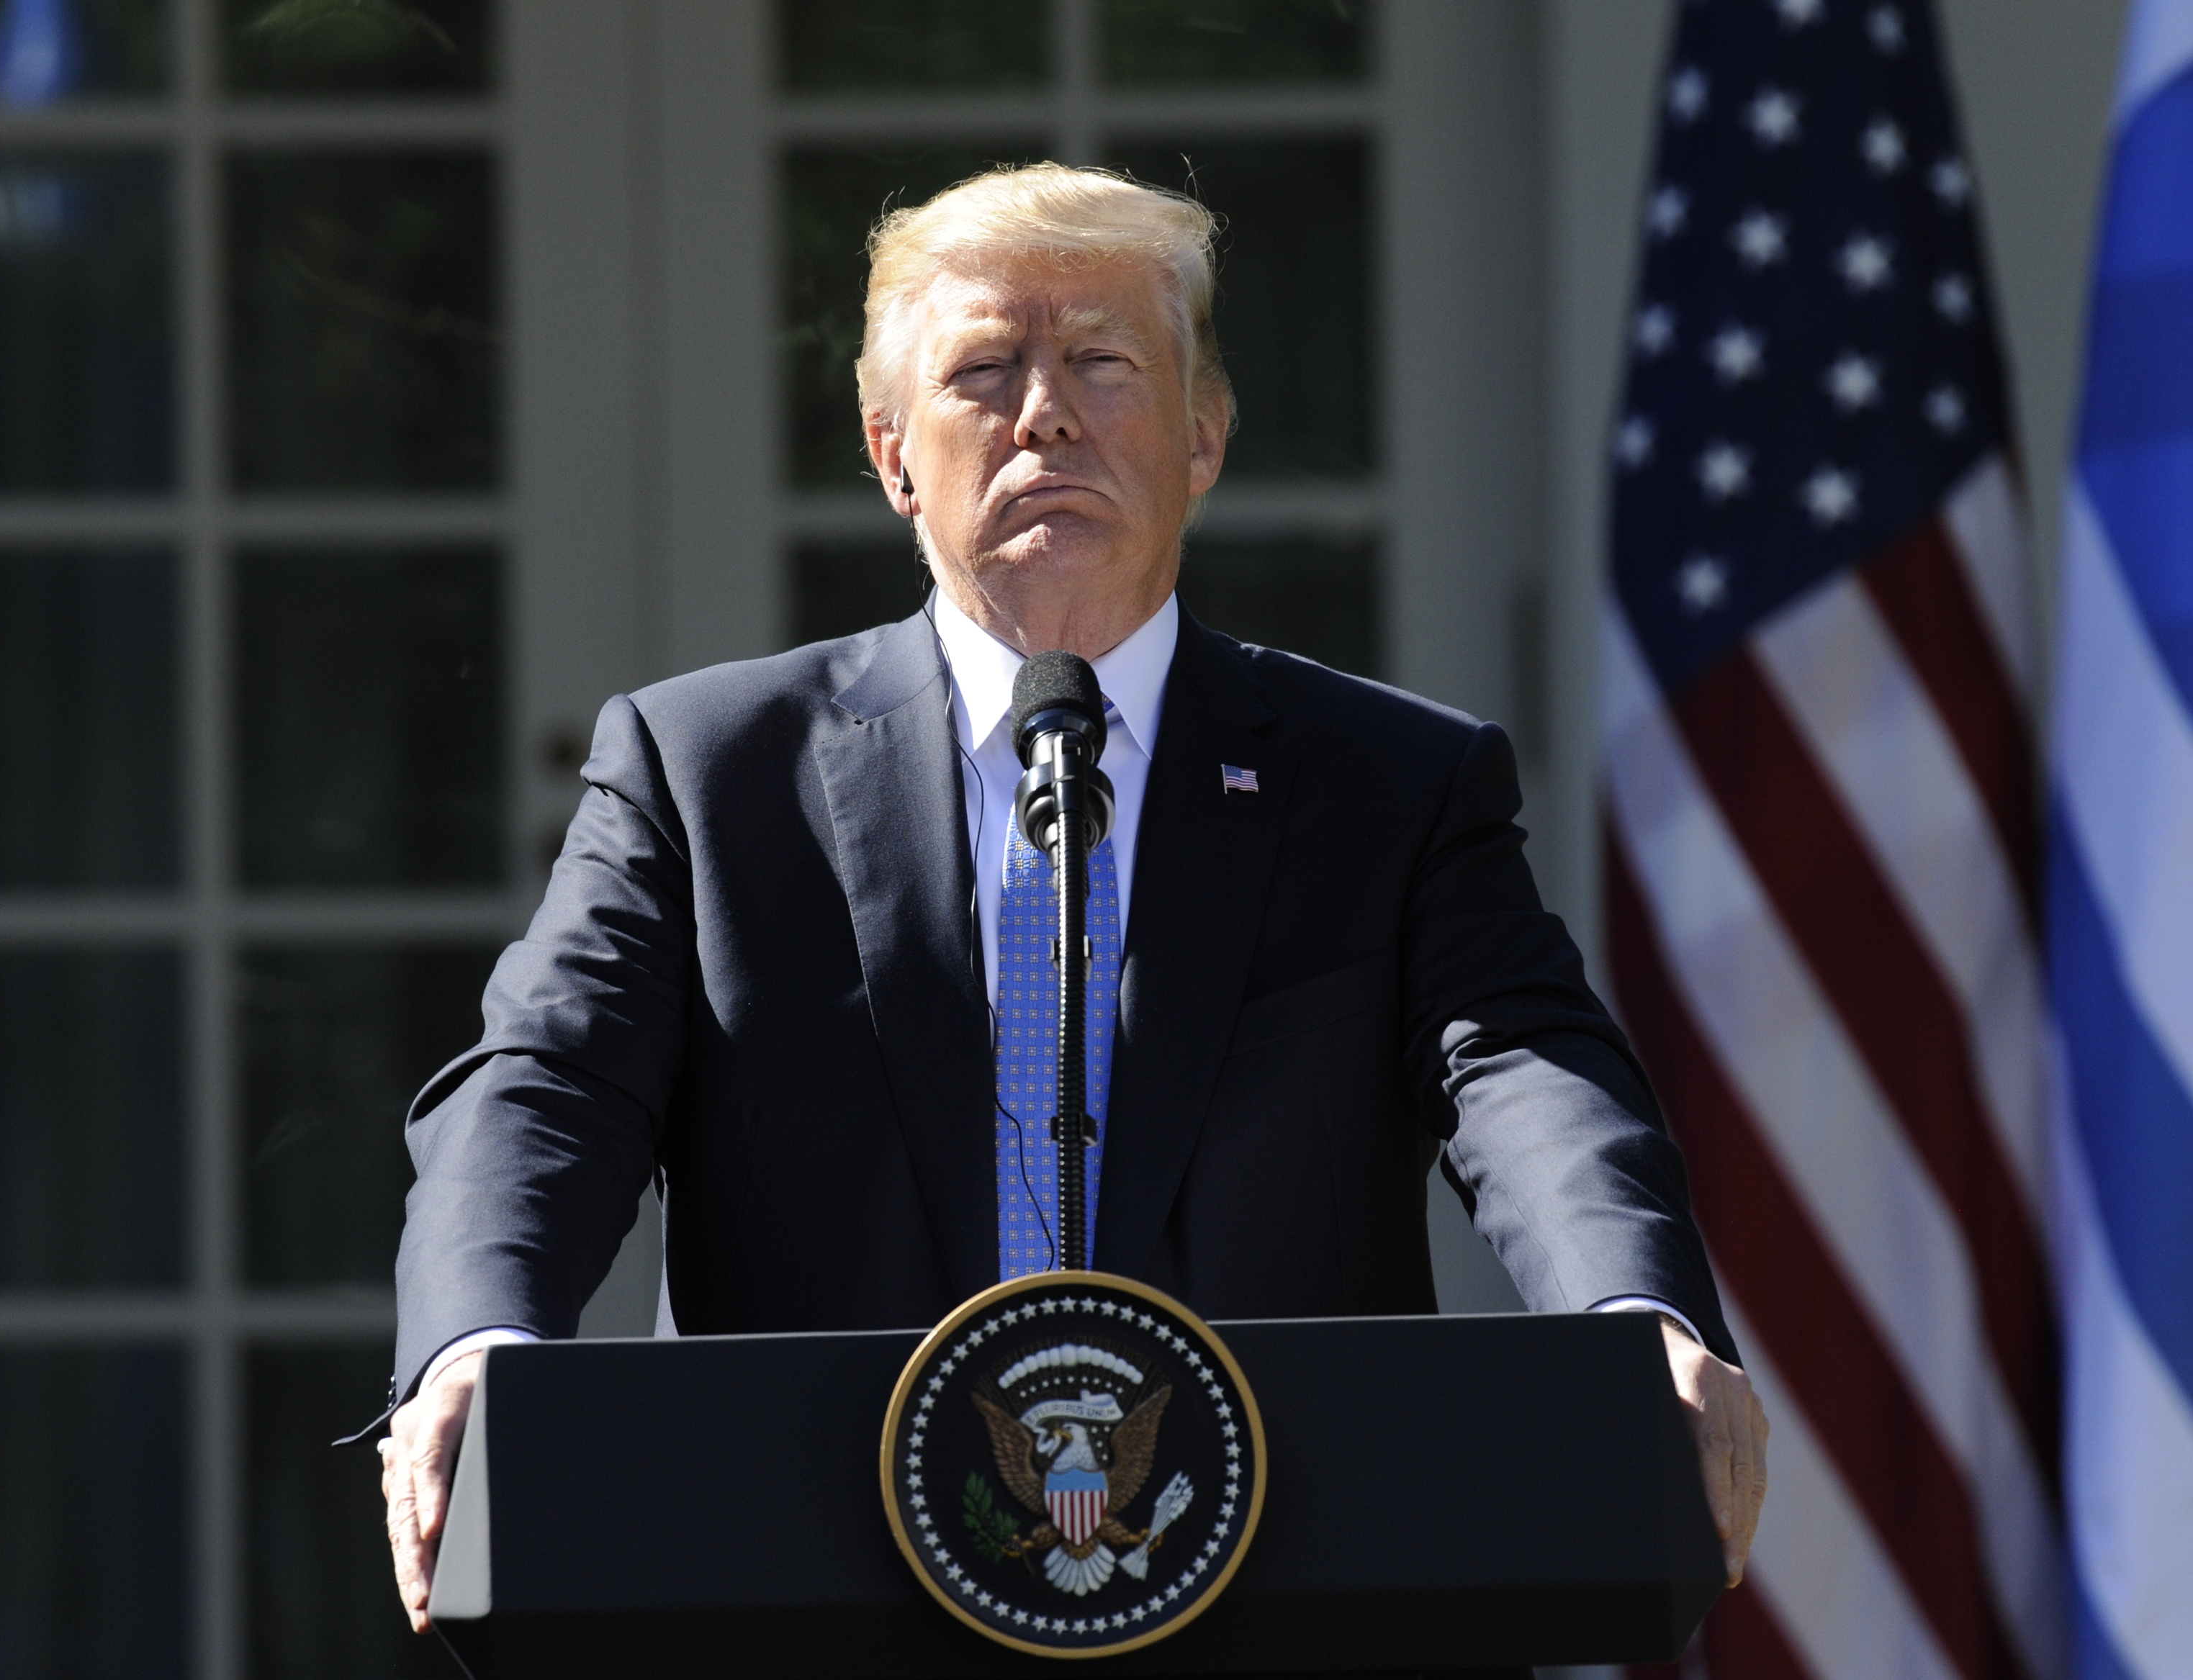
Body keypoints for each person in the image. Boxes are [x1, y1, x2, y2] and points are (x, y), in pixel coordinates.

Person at [378, 163, 1767, 1645]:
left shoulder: (1390, 783)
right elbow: (545, 1084)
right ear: (893, 452)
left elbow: (1524, 1073)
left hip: (1282, 1600)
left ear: (1204, 437)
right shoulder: (707, 770)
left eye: (1104, 365)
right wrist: (477, 1339)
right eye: (983, 370)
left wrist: (1637, 1319)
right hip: (813, 1599)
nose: (1045, 412)